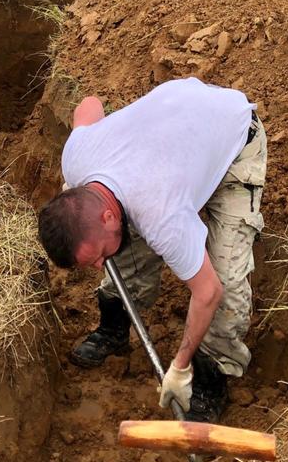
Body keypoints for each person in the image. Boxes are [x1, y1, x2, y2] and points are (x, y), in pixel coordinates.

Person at [37, 78, 267, 421]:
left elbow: (208, 292)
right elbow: (89, 105)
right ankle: (114, 329)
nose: (99, 266)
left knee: (226, 281)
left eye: (96, 256)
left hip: (234, 140)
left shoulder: (161, 215)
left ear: (107, 216)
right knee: (122, 246)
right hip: (174, 136)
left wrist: (180, 366)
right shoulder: (77, 159)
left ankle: (212, 377)